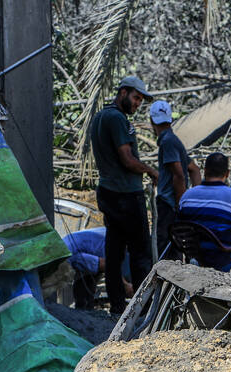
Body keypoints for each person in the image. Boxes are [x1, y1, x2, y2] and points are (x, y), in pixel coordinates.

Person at [89, 76, 158, 314]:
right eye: (136, 98)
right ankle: (143, 309)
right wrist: (150, 171)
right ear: (123, 93)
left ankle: (118, 307)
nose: (138, 104)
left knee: (114, 252)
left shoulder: (99, 117)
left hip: (108, 193)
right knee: (141, 252)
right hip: (126, 195)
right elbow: (127, 159)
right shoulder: (118, 120)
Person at [177, 152, 231, 272]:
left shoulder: (187, 197)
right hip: (224, 260)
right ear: (227, 173)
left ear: (205, 170)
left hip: (196, 258)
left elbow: (181, 226)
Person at [149, 100, 201, 258]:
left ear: (151, 121)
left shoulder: (167, 142)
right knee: (175, 247)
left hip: (168, 205)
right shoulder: (174, 140)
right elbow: (194, 169)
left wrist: (180, 204)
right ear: (171, 119)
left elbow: (178, 175)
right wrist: (196, 198)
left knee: (165, 251)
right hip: (172, 204)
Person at [62, 227, 132, 310]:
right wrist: (126, 285)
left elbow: (107, 266)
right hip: (87, 247)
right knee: (87, 280)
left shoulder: (70, 255)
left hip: (93, 244)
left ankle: (84, 308)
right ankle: (84, 309)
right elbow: (107, 265)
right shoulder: (73, 257)